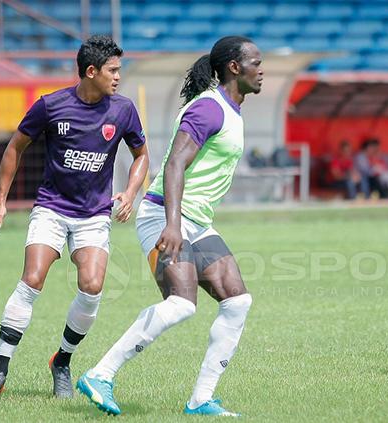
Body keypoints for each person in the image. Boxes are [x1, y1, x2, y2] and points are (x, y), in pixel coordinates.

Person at [76, 35, 263, 416]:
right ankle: (100, 374)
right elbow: (175, 164)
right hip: (164, 216)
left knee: (237, 301)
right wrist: (173, 226)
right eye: (255, 63)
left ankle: (201, 400)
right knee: (181, 304)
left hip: (194, 220)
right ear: (233, 67)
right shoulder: (209, 109)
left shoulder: (230, 108)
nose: (262, 70)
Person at [0, 35, 149, 399]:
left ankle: (62, 362)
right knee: (33, 278)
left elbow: (142, 155)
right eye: (113, 70)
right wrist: (0, 202)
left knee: (92, 286)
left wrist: (130, 192)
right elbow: (15, 147)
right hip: (52, 208)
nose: (118, 77)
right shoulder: (51, 106)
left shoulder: (123, 110)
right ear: (91, 71)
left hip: (93, 215)